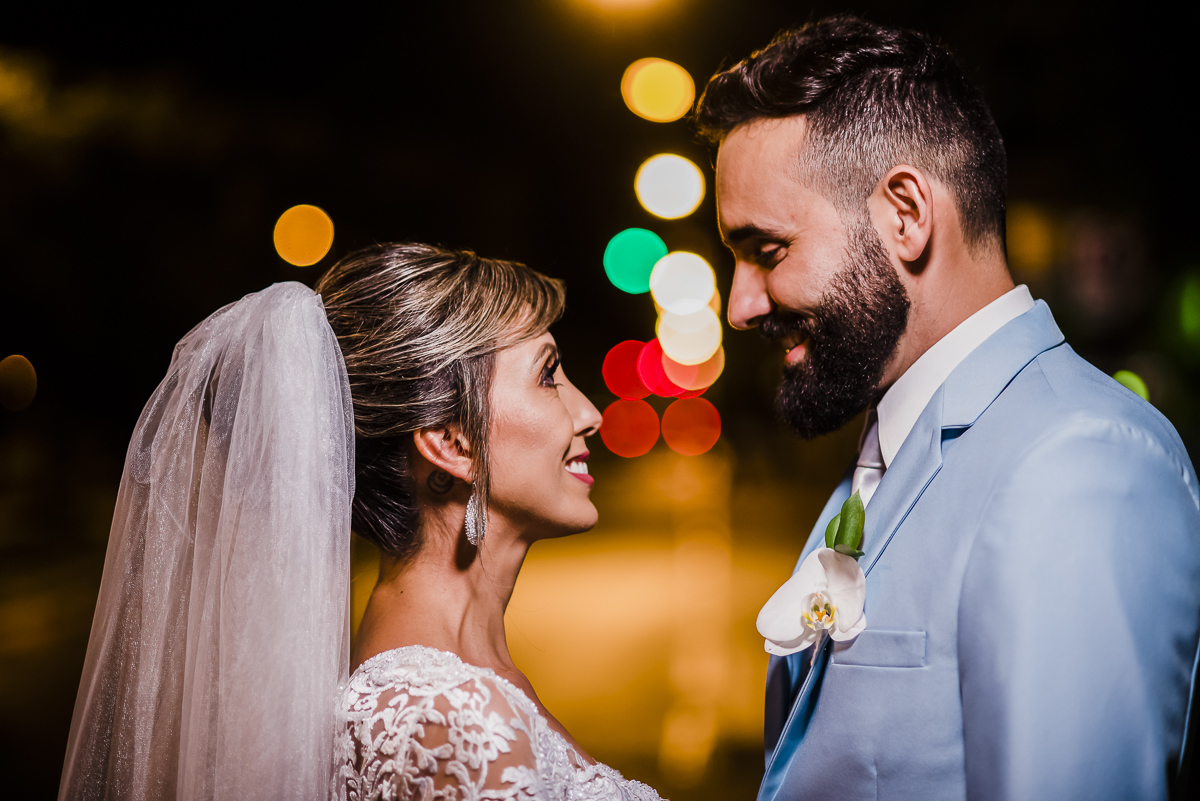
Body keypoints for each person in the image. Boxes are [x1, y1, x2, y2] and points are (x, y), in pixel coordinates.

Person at [695, 16, 1200, 801]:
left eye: (767, 251)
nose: (740, 307)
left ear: (905, 214)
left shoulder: (1077, 461)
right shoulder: (890, 447)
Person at [59, 243, 665, 801]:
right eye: (548, 375)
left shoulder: (455, 693)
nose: (590, 413)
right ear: (452, 442)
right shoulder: (454, 723)